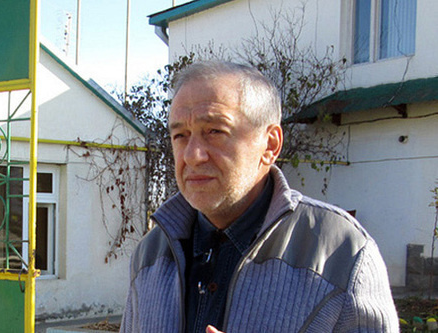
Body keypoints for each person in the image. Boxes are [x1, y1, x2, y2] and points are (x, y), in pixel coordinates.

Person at [120, 61, 398, 332]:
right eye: (180, 135)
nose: (192, 155)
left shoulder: (344, 254)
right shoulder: (150, 255)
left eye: (215, 131)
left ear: (270, 144)